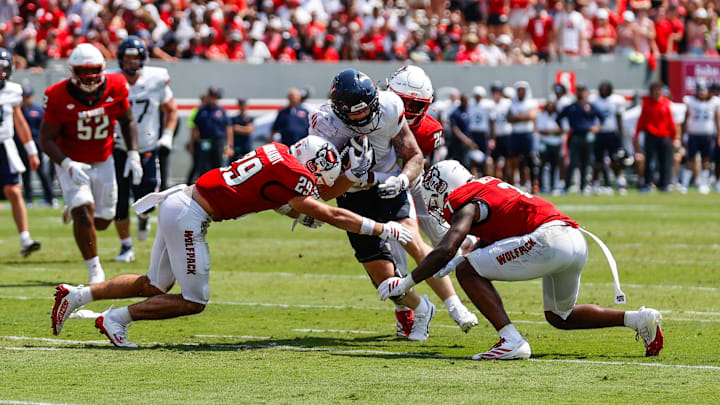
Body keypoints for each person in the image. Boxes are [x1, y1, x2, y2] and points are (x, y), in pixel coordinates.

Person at [51, 136, 413, 346]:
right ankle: (115, 320)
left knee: (155, 284)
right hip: (189, 214)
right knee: (194, 300)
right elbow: (330, 214)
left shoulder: (277, 151)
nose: (318, 181)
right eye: (320, 174)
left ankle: (77, 295)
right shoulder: (296, 172)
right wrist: (384, 229)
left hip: (181, 202)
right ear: (312, 163)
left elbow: (269, 198)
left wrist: (296, 213)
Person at [377, 160, 665, 360]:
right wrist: (461, 256)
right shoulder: (488, 185)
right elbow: (496, 233)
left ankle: (511, 340)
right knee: (559, 316)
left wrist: (406, 282)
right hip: (574, 239)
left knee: (468, 271)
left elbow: (445, 249)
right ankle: (637, 319)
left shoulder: (466, 202)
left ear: (442, 188)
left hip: (549, 240)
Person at [308, 69, 438, 341]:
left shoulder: (391, 108)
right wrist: (342, 181)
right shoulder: (325, 124)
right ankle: (416, 307)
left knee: (418, 242)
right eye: (353, 114)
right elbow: (325, 186)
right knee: (385, 278)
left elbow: (415, 156)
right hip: (352, 196)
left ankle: (454, 305)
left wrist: (402, 180)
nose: (362, 118)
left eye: (365, 110)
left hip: (391, 185)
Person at [39, 43, 142, 285]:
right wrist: (66, 164)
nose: (88, 76)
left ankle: (75, 210)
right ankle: (95, 271)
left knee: (104, 220)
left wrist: (133, 153)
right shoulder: (57, 95)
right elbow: (45, 138)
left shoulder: (116, 86)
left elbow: (127, 121)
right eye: (82, 71)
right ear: (72, 71)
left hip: (103, 158)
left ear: (103, 69)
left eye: (94, 69)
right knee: (84, 211)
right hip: (71, 161)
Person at [387, 65, 478, 334]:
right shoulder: (376, 113)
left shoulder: (429, 128)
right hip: (380, 187)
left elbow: (419, 163)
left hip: (413, 181)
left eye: (416, 104)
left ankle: (457, 296)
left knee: (442, 240)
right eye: (405, 102)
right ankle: (404, 309)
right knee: (393, 262)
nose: (410, 109)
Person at [110, 36, 179, 263]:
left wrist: (167, 136)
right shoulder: (111, 81)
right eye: (127, 58)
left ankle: (143, 218)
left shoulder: (156, 79)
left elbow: (171, 110)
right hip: (119, 148)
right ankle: (125, 246)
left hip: (148, 148)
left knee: (148, 196)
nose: (131, 63)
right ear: (120, 59)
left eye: (135, 58)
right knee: (119, 199)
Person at [0, 48, 41, 257]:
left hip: (5, 146)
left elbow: (20, 122)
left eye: (2, 69)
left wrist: (31, 150)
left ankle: (25, 239)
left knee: (15, 191)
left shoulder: (13, 90)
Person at [556, 84, 604, 194]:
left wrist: (597, 128)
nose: (581, 93)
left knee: (586, 162)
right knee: (573, 162)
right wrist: (563, 128)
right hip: (575, 137)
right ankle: (567, 186)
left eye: (583, 91)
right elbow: (558, 118)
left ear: (587, 93)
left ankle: (584, 187)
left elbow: (602, 117)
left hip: (588, 137)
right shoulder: (571, 107)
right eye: (579, 91)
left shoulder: (591, 106)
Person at [16, 86, 57, 207]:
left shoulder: (38, 110)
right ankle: (28, 199)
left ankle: (50, 198)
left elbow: (45, 128)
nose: (26, 99)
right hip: (22, 146)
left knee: (42, 173)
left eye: (28, 96)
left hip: (37, 145)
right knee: (26, 174)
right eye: (24, 97)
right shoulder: (18, 111)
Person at [634, 82, 678, 192]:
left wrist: (674, 137)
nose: (657, 92)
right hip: (651, 135)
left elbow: (671, 122)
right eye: (655, 90)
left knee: (665, 161)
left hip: (664, 136)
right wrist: (637, 133)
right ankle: (648, 183)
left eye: (659, 90)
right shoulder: (647, 103)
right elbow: (642, 120)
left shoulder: (666, 103)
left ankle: (664, 184)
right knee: (649, 161)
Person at [680, 81, 719, 194]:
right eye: (699, 90)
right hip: (694, 134)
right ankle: (685, 184)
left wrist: (719, 135)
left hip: (708, 135)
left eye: (703, 90)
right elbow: (685, 120)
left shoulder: (714, 102)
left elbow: (717, 120)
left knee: (706, 160)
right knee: (691, 160)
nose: (701, 93)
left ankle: (704, 183)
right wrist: (684, 135)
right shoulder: (691, 101)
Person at [589, 80, 628, 194]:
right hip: (599, 133)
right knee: (597, 161)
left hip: (612, 133)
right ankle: (595, 184)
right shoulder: (593, 100)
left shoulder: (617, 100)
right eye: (602, 89)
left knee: (616, 160)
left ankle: (620, 182)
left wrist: (620, 135)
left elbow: (619, 117)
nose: (604, 91)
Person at [191, 86, 232, 174]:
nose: (213, 99)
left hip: (218, 142)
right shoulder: (202, 110)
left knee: (218, 165)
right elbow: (195, 127)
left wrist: (229, 146)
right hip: (205, 141)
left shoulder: (221, 111)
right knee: (204, 165)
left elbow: (228, 128)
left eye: (215, 96)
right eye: (211, 96)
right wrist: (193, 143)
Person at [507, 81, 538, 190]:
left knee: (529, 161)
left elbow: (531, 116)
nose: (520, 92)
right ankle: (517, 183)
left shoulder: (531, 102)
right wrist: (523, 117)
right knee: (514, 160)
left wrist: (517, 117)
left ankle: (530, 184)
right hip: (515, 134)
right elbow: (509, 118)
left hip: (526, 134)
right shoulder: (512, 103)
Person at [536, 97, 563, 194]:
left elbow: (562, 130)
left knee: (554, 166)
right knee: (542, 165)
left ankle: (553, 186)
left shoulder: (558, 116)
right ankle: (542, 186)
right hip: (545, 144)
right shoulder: (541, 115)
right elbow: (541, 130)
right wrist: (553, 131)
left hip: (556, 144)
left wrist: (551, 132)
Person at [467, 86, 494, 176]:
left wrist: (492, 138)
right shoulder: (470, 104)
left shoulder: (487, 105)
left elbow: (491, 121)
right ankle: (475, 179)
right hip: (473, 133)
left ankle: (487, 178)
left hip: (483, 134)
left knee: (487, 158)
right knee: (472, 158)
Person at [488, 81, 512, 180]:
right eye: (494, 92)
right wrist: (491, 138)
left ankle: (508, 181)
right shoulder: (490, 105)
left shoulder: (507, 103)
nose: (495, 94)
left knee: (508, 160)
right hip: (496, 136)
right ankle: (496, 182)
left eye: (497, 92)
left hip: (507, 134)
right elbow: (491, 123)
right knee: (495, 161)